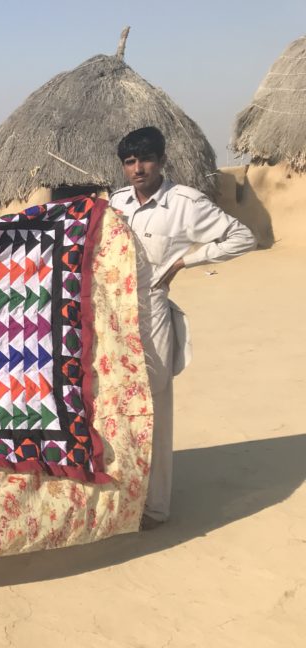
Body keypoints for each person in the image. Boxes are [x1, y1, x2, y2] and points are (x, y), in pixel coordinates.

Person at [108, 127, 255, 530]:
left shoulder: (185, 203)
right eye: (130, 162)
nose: (138, 169)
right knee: (117, 402)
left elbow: (242, 236)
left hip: (152, 308)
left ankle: (155, 506)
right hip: (114, 312)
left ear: (161, 160)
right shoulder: (117, 202)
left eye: (146, 160)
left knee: (153, 405)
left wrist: (182, 263)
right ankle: (125, 493)